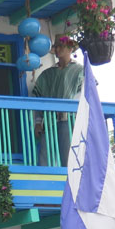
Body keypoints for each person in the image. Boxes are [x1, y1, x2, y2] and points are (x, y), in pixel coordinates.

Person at [31, 36, 84, 167]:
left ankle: (70, 185)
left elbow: (85, 96)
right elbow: (39, 100)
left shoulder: (80, 71)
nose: (58, 49)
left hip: (69, 119)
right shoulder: (47, 74)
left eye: (62, 46)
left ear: (70, 48)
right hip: (48, 120)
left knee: (68, 156)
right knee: (44, 157)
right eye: (57, 46)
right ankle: (43, 183)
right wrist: (38, 122)